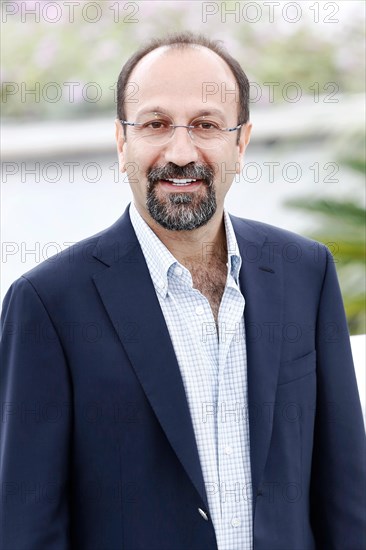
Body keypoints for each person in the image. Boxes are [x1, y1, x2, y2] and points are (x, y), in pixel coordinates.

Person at [0, 31, 365, 550]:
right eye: (155, 124)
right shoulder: (46, 304)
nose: (180, 151)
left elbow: (347, 497)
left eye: (206, 125)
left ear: (241, 142)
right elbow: (26, 525)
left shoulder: (306, 272)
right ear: (122, 141)